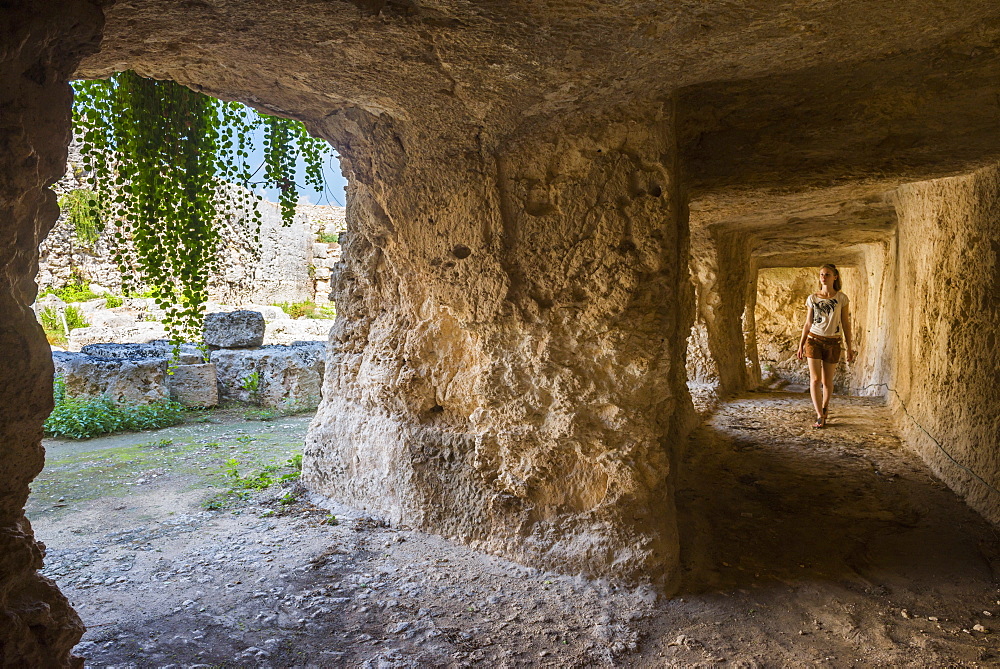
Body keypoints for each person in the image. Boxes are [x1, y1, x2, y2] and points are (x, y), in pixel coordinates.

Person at [796, 264, 855, 428]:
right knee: (815, 379)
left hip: (833, 342)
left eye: (827, 274)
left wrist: (849, 347)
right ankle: (819, 415)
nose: (823, 277)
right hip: (813, 339)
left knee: (827, 381)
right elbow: (808, 323)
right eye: (821, 274)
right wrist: (801, 345)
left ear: (835, 277)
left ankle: (825, 406)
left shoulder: (841, 298)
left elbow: (845, 323)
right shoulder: (812, 298)